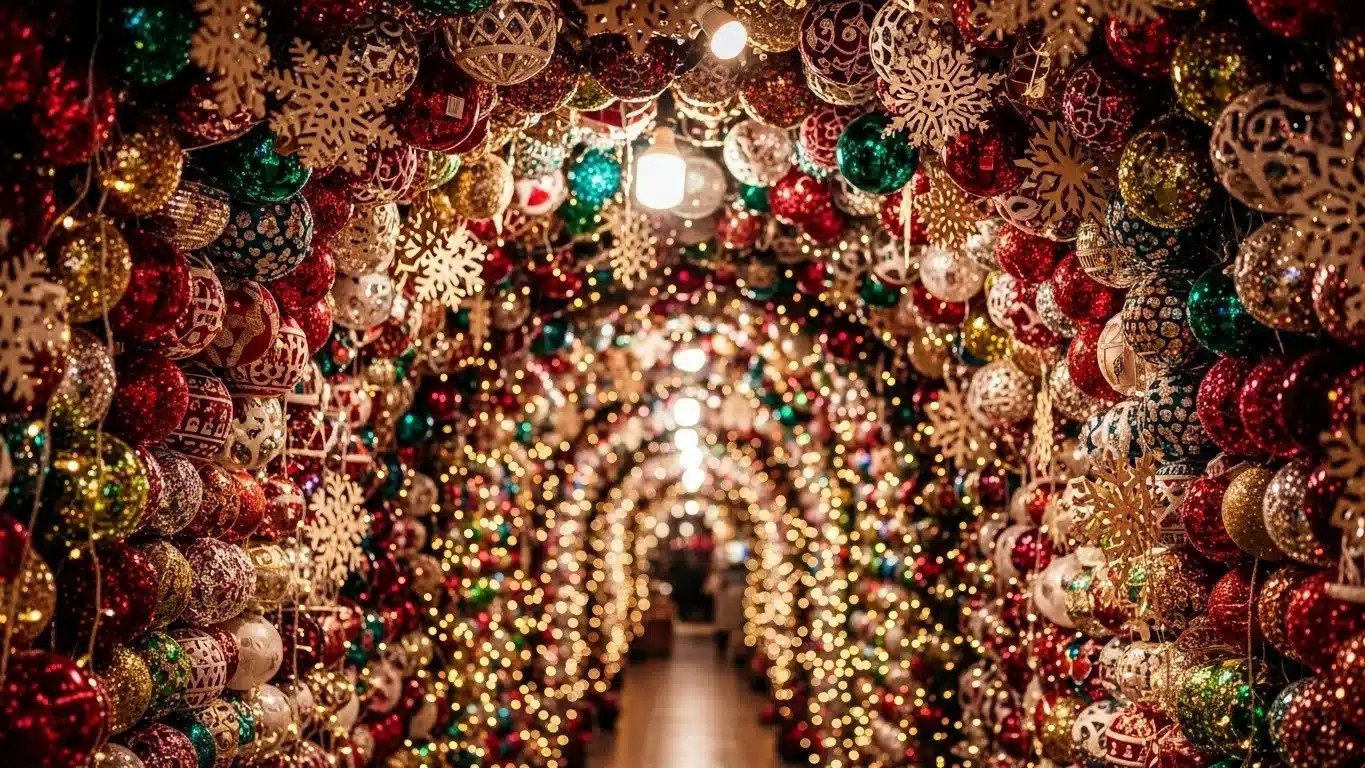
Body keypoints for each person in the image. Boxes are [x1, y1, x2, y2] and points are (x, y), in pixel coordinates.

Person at [712, 565, 746, 659]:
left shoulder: (721, 583)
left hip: (727, 617)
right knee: (728, 633)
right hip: (730, 616)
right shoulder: (740, 587)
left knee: (728, 633)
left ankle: (728, 652)